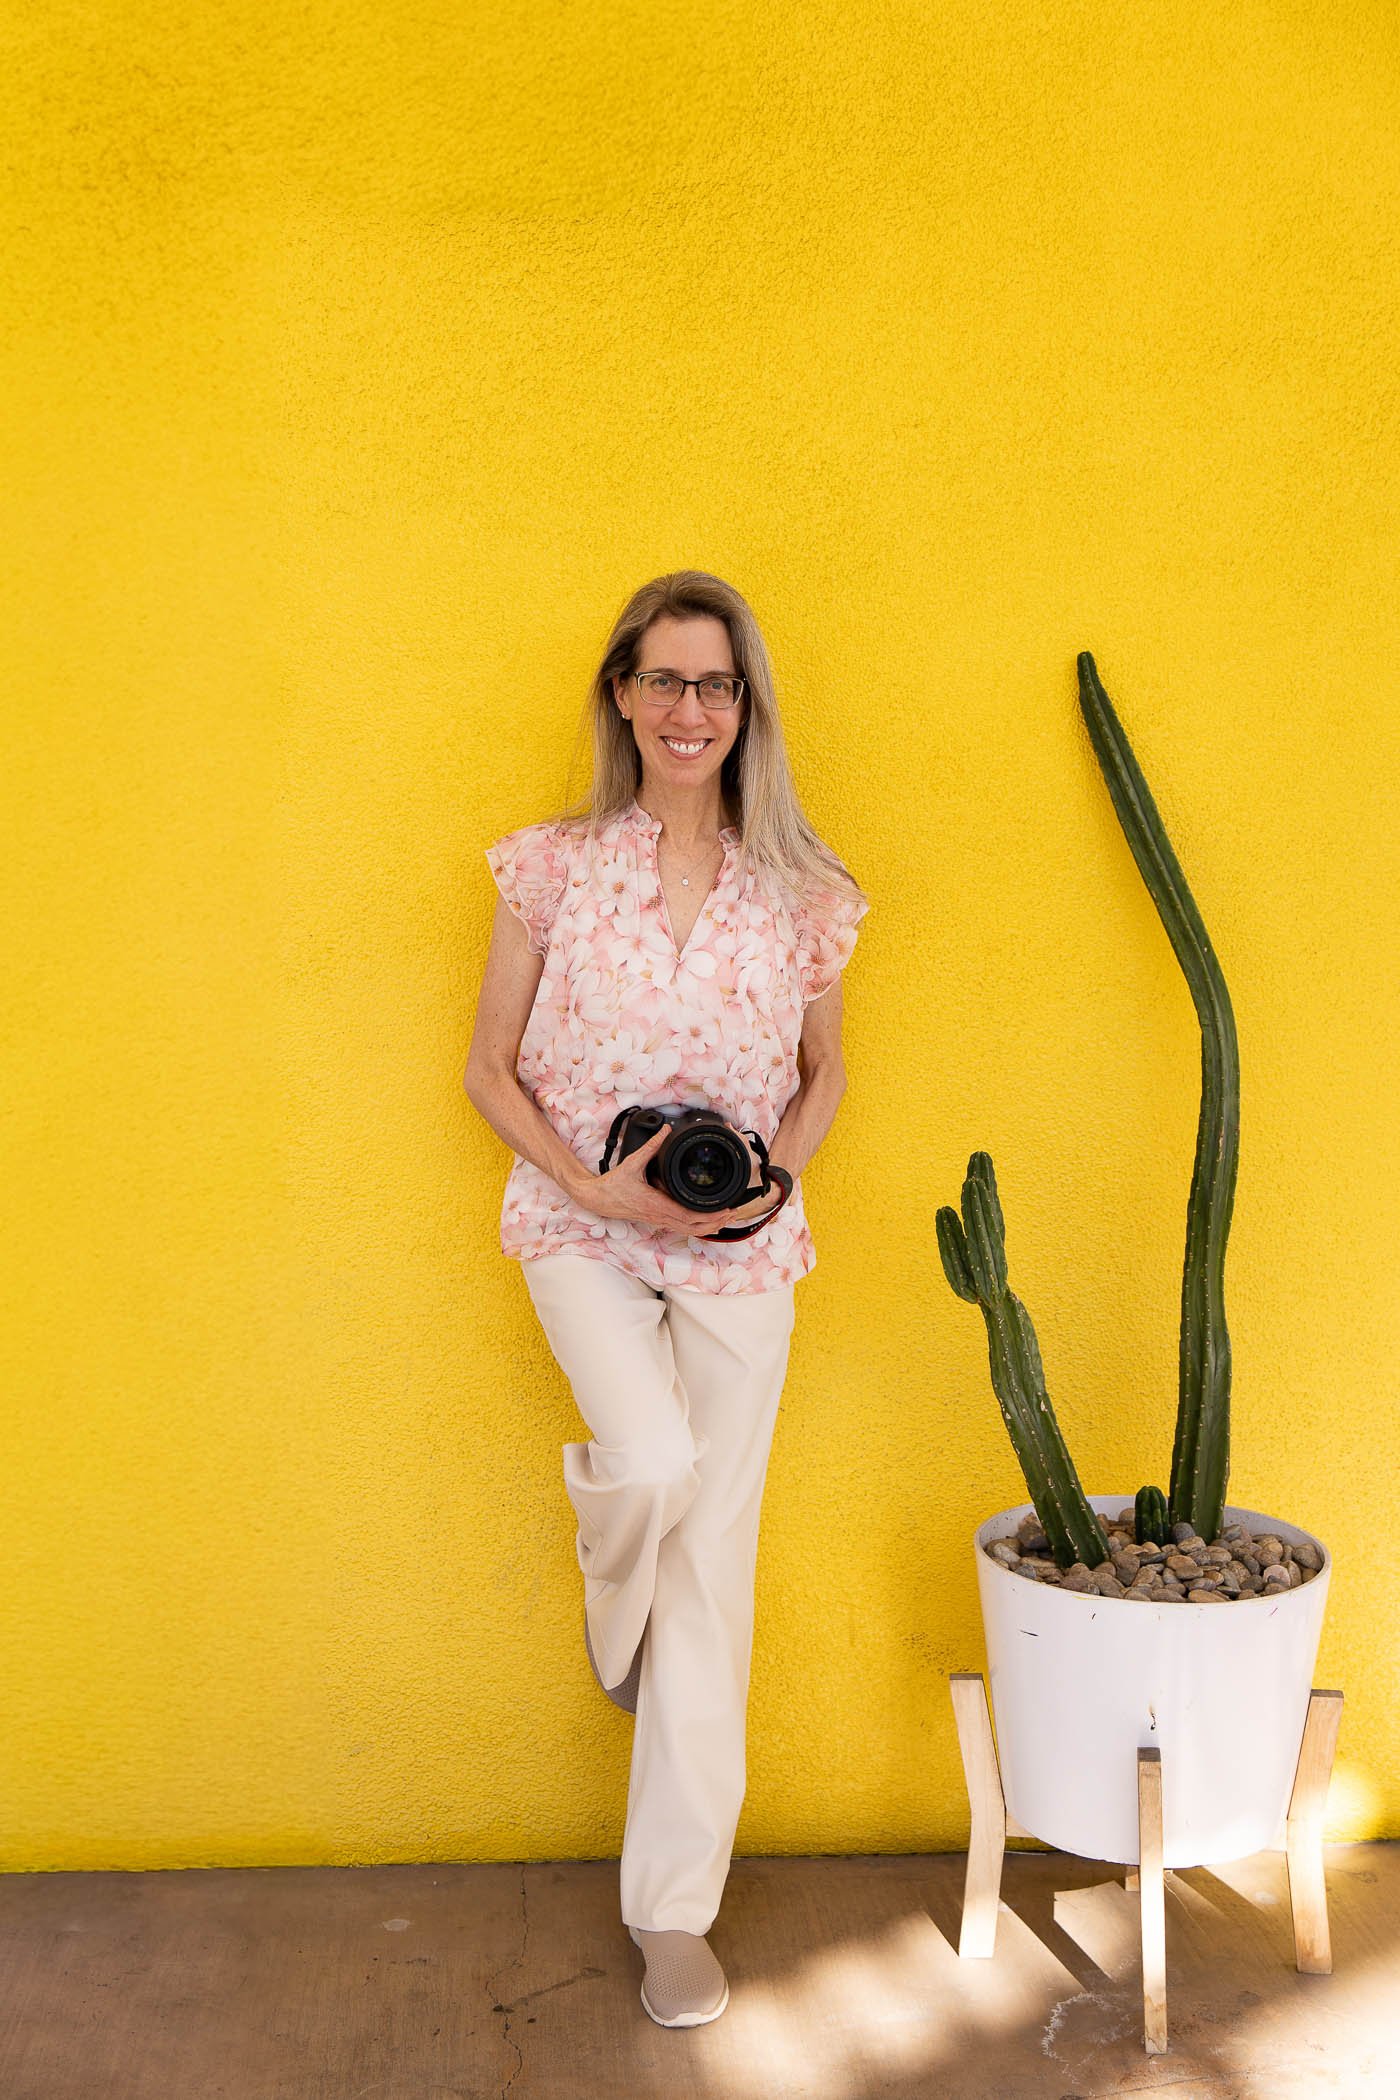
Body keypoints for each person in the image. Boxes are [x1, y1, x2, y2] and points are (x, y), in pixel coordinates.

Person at [464, 570, 868, 2028]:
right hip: (583, 1224)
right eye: (664, 681)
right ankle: (609, 1586)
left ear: (743, 707)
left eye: (717, 685)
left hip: (745, 1255)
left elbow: (823, 1078)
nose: (689, 710)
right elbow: (488, 1069)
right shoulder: (550, 868)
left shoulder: (805, 894)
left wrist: (775, 1179)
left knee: (716, 1569)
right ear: (622, 697)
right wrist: (594, 1186)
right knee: (647, 1468)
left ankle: (673, 1913)